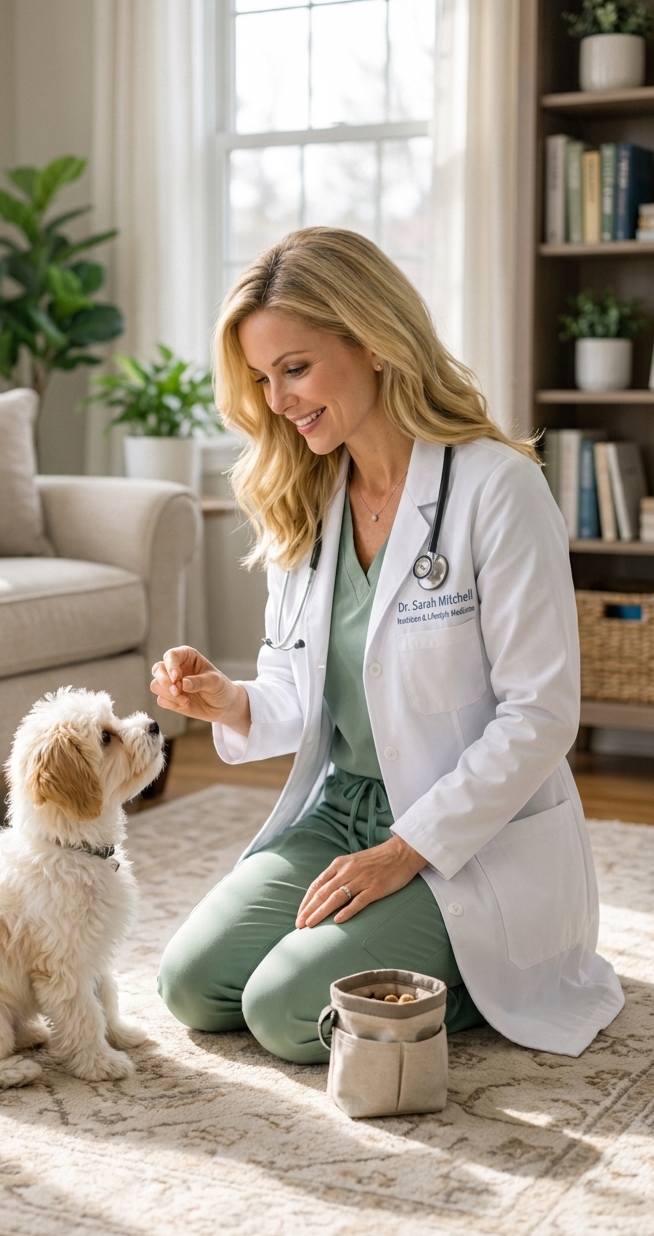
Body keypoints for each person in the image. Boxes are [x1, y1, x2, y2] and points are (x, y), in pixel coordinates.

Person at [152, 226, 623, 1062]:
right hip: (342, 813)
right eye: (263, 379)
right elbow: (300, 694)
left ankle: (487, 979)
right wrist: (229, 701)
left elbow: (541, 713)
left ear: (371, 341)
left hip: (472, 835)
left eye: (294, 368)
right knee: (193, 984)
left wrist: (409, 851)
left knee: (287, 1011)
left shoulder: (495, 487)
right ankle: (379, 951)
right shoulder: (305, 493)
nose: (278, 399)